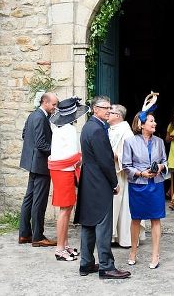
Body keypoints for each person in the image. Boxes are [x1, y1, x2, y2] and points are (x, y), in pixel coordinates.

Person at [78, 95, 130, 279]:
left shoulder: (87, 127)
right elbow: (106, 161)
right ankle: (107, 266)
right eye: (105, 108)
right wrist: (114, 183)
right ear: (95, 109)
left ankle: (86, 263)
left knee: (89, 223)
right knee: (103, 225)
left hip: (88, 182)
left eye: (110, 108)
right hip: (99, 183)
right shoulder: (98, 130)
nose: (109, 111)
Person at [123, 108, 168, 269]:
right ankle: (133, 252)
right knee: (136, 219)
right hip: (138, 186)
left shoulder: (160, 142)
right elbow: (126, 165)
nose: (154, 123)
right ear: (142, 124)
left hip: (155, 185)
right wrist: (141, 173)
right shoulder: (130, 142)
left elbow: (165, 162)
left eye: (154, 121)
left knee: (156, 219)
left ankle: (155, 255)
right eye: (151, 121)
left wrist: (161, 167)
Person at [47, 96, 87, 262]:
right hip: (64, 172)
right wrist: (83, 156)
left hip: (61, 172)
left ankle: (65, 244)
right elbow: (73, 157)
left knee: (67, 209)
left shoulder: (58, 128)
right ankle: (60, 249)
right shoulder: (69, 130)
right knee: (65, 211)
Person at [18, 91, 58, 247]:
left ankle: (24, 234)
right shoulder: (41, 118)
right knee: (39, 201)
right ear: (45, 102)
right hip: (40, 164)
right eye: (53, 104)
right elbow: (41, 144)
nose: (55, 108)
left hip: (31, 162)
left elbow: (24, 135)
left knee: (29, 198)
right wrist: (56, 152)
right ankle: (38, 236)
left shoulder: (32, 115)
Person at [108, 104, 137, 249]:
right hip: (110, 172)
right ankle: (112, 236)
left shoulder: (126, 132)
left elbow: (131, 155)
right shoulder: (110, 129)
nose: (108, 113)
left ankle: (124, 237)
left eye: (111, 112)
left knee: (123, 204)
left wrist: (115, 156)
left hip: (121, 174)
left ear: (118, 116)